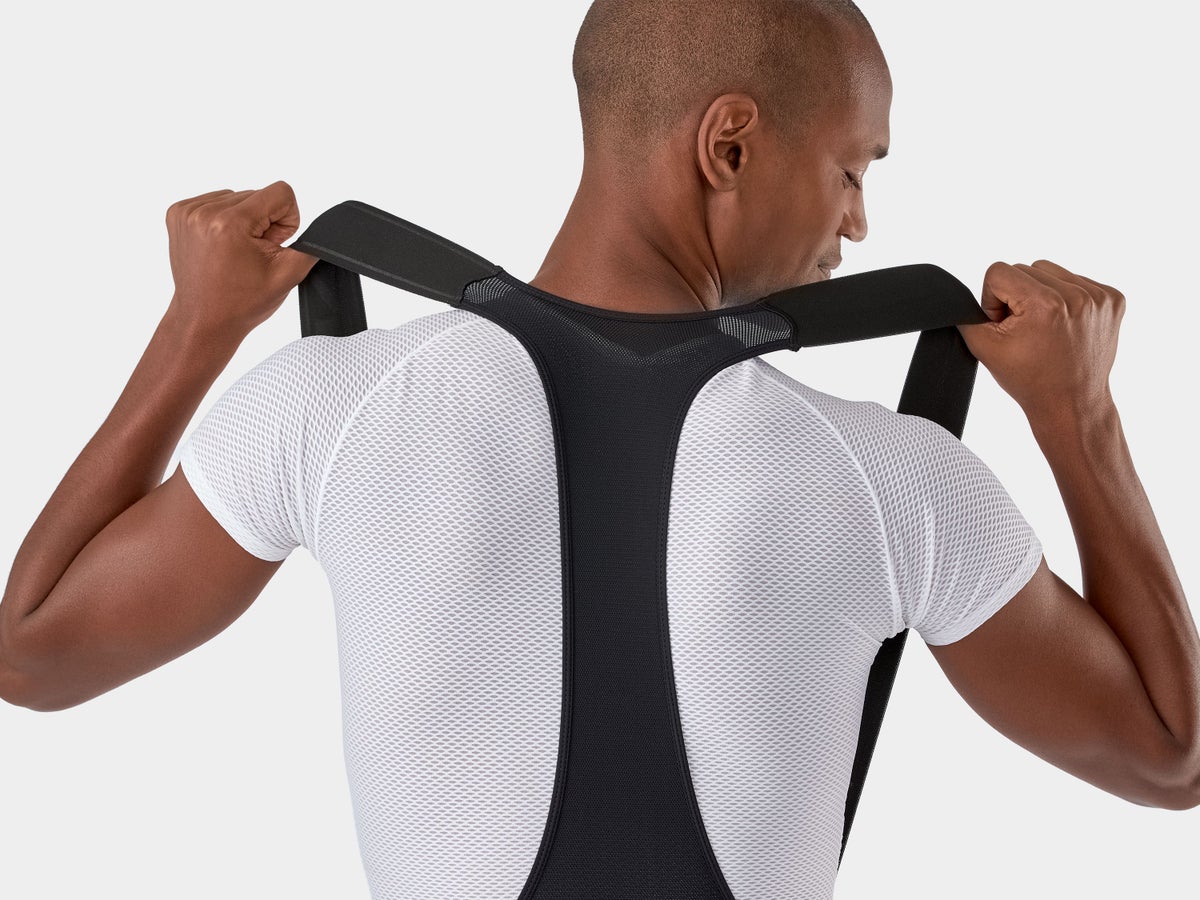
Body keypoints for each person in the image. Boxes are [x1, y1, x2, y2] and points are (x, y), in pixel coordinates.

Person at [1, 0, 1196, 897]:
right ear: (730, 146)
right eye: (850, 169)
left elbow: (35, 654)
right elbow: (1170, 754)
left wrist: (197, 328)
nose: (859, 222)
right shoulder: (888, 479)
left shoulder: (338, 405)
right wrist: (1080, 419)